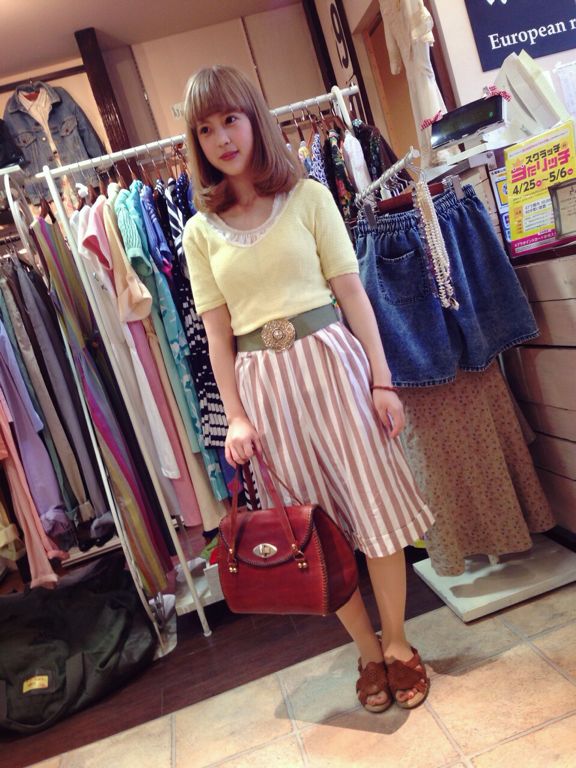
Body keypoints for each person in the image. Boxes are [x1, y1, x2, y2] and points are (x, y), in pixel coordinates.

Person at [182, 65, 434, 712]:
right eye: (205, 129)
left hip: (332, 365)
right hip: (263, 388)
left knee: (373, 506)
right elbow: (216, 336)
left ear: (254, 119)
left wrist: (382, 380)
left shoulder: (309, 197)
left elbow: (353, 293)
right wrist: (236, 417)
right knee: (315, 527)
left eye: (231, 119)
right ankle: (367, 653)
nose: (222, 138)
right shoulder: (199, 233)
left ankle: (398, 643)